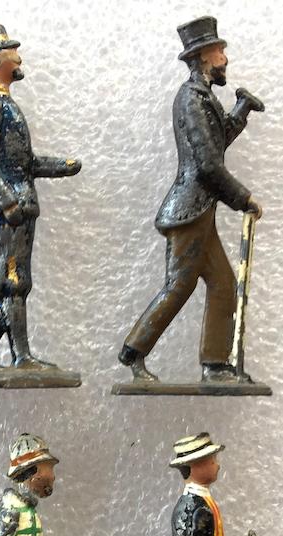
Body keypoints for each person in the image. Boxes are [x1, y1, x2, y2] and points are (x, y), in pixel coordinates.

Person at [118, 17, 263, 384]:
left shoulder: (203, 97)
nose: (225, 59)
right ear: (203, 57)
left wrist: (241, 108)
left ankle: (215, 365)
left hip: (200, 210)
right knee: (179, 286)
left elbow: (216, 142)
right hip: (189, 210)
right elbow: (208, 165)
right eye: (220, 52)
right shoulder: (191, 99)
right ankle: (134, 351)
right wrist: (243, 198)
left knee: (223, 284)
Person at [0, 25, 81, 371]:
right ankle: (21, 357)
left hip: (17, 206)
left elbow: (24, 163)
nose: (18, 58)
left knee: (12, 282)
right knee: (11, 281)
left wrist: (61, 167)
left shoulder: (6, 105)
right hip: (5, 211)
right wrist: (7, 201)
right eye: (12, 52)